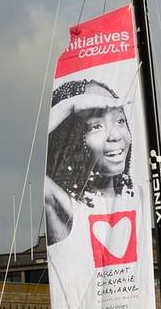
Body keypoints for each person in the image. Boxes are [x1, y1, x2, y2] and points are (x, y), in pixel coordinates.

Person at [44, 78, 136, 246]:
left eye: (120, 121)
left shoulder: (140, 195)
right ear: (70, 141)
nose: (115, 135)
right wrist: (70, 106)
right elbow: (31, 149)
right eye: (96, 126)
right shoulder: (65, 204)